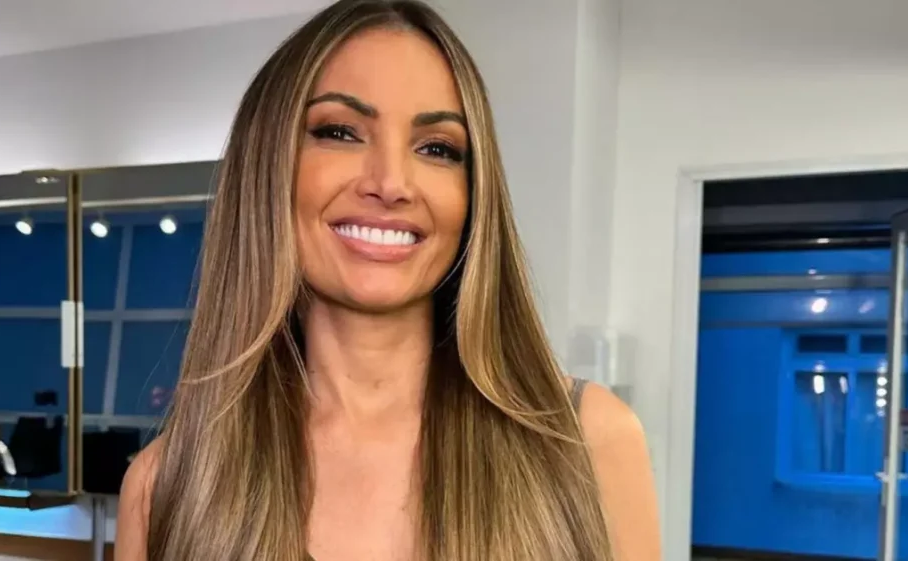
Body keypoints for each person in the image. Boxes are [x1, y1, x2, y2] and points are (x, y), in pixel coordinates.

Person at [117, 1, 660, 559]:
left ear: (474, 195)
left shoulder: (590, 441)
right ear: (266, 168)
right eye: (340, 132)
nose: (392, 182)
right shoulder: (165, 486)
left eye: (436, 148)